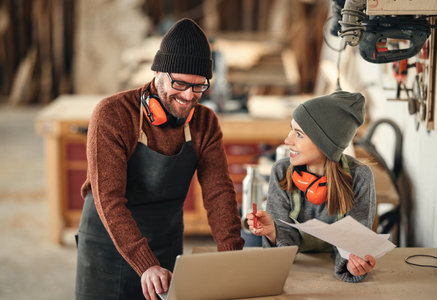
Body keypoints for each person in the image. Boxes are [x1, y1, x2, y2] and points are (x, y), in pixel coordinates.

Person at [75, 18, 245, 300]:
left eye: (199, 86)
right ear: (158, 72)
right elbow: (109, 199)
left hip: (164, 244)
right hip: (106, 245)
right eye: (180, 83)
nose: (189, 96)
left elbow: (219, 192)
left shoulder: (205, 123)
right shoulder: (112, 114)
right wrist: (146, 264)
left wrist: (231, 257)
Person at [246, 91, 377, 282]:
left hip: (331, 270)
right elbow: (285, 248)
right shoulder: (281, 172)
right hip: (300, 267)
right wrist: (273, 232)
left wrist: (352, 264)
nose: (287, 140)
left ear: (326, 144)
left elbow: (354, 240)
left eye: (299, 134)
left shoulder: (360, 177)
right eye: (291, 130)